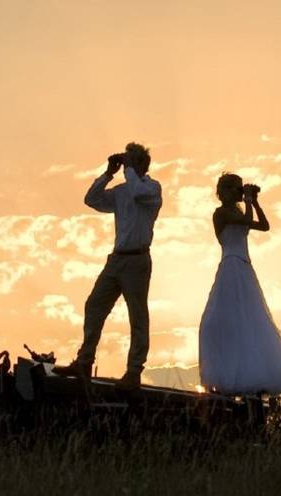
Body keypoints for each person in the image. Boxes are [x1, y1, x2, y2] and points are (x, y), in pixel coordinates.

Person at [53, 142, 162, 391]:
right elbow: (91, 199)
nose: (126, 165)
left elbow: (137, 192)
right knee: (94, 305)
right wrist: (108, 173)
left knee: (137, 315)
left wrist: (130, 170)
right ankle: (84, 361)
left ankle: (134, 371)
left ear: (141, 166)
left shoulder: (151, 189)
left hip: (137, 260)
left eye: (131, 161)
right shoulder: (122, 190)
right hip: (117, 259)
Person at [198, 173, 281, 394]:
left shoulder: (240, 212)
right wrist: (249, 201)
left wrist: (255, 202)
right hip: (230, 265)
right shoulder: (220, 214)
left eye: (239, 189)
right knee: (217, 319)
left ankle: (250, 374)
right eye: (234, 188)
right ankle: (224, 372)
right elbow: (243, 222)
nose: (238, 192)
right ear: (223, 192)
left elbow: (264, 225)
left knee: (250, 319)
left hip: (243, 267)